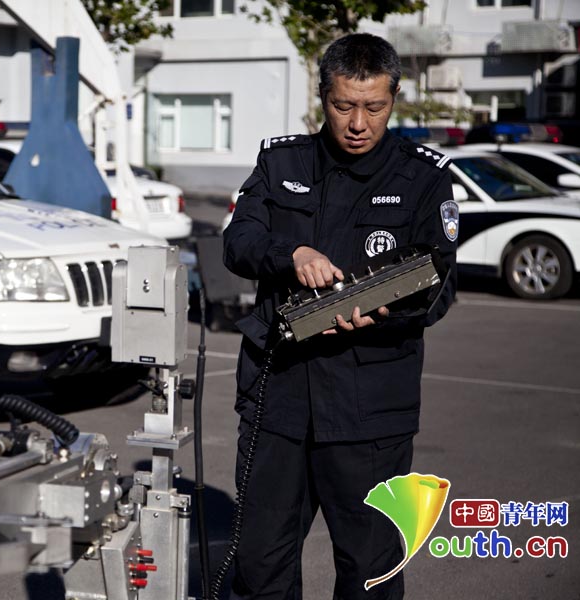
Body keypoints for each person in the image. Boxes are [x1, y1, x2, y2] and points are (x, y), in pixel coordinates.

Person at [222, 33, 457, 600]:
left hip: (370, 412)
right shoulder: (282, 162)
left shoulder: (423, 178)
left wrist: (378, 312)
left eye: (374, 107)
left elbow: (439, 284)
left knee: (371, 570)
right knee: (261, 566)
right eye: (344, 105)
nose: (358, 122)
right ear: (321, 95)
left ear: (394, 98)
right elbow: (239, 240)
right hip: (278, 403)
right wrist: (291, 255)